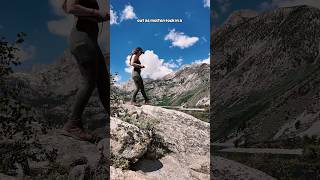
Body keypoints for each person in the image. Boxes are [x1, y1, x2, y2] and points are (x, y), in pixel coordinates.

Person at [61, 0, 110, 142]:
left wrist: (100, 17)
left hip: (89, 40)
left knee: (103, 82)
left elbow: (67, 7)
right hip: (83, 40)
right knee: (89, 81)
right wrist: (97, 12)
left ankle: (116, 119)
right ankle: (72, 125)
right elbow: (71, 7)